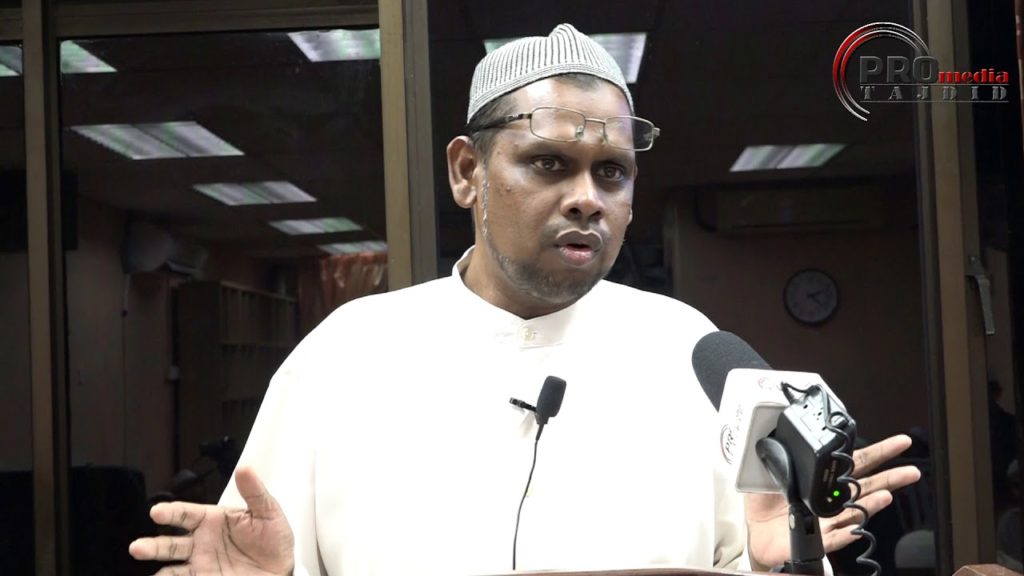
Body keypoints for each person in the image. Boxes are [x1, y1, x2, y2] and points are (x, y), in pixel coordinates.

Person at [128, 23, 920, 575]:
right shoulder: (346, 354)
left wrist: (780, 562)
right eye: (548, 164)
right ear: (467, 172)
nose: (587, 199)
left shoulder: (692, 351)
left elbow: (751, 553)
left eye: (612, 173)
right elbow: (259, 558)